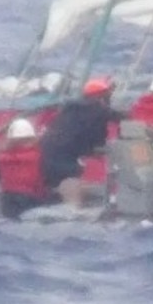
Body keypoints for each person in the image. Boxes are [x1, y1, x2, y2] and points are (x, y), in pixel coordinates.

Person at [38, 76, 125, 208]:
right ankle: (73, 209)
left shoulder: (69, 109)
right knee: (72, 176)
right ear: (100, 97)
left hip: (46, 154)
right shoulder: (97, 110)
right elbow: (114, 119)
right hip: (63, 159)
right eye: (107, 96)